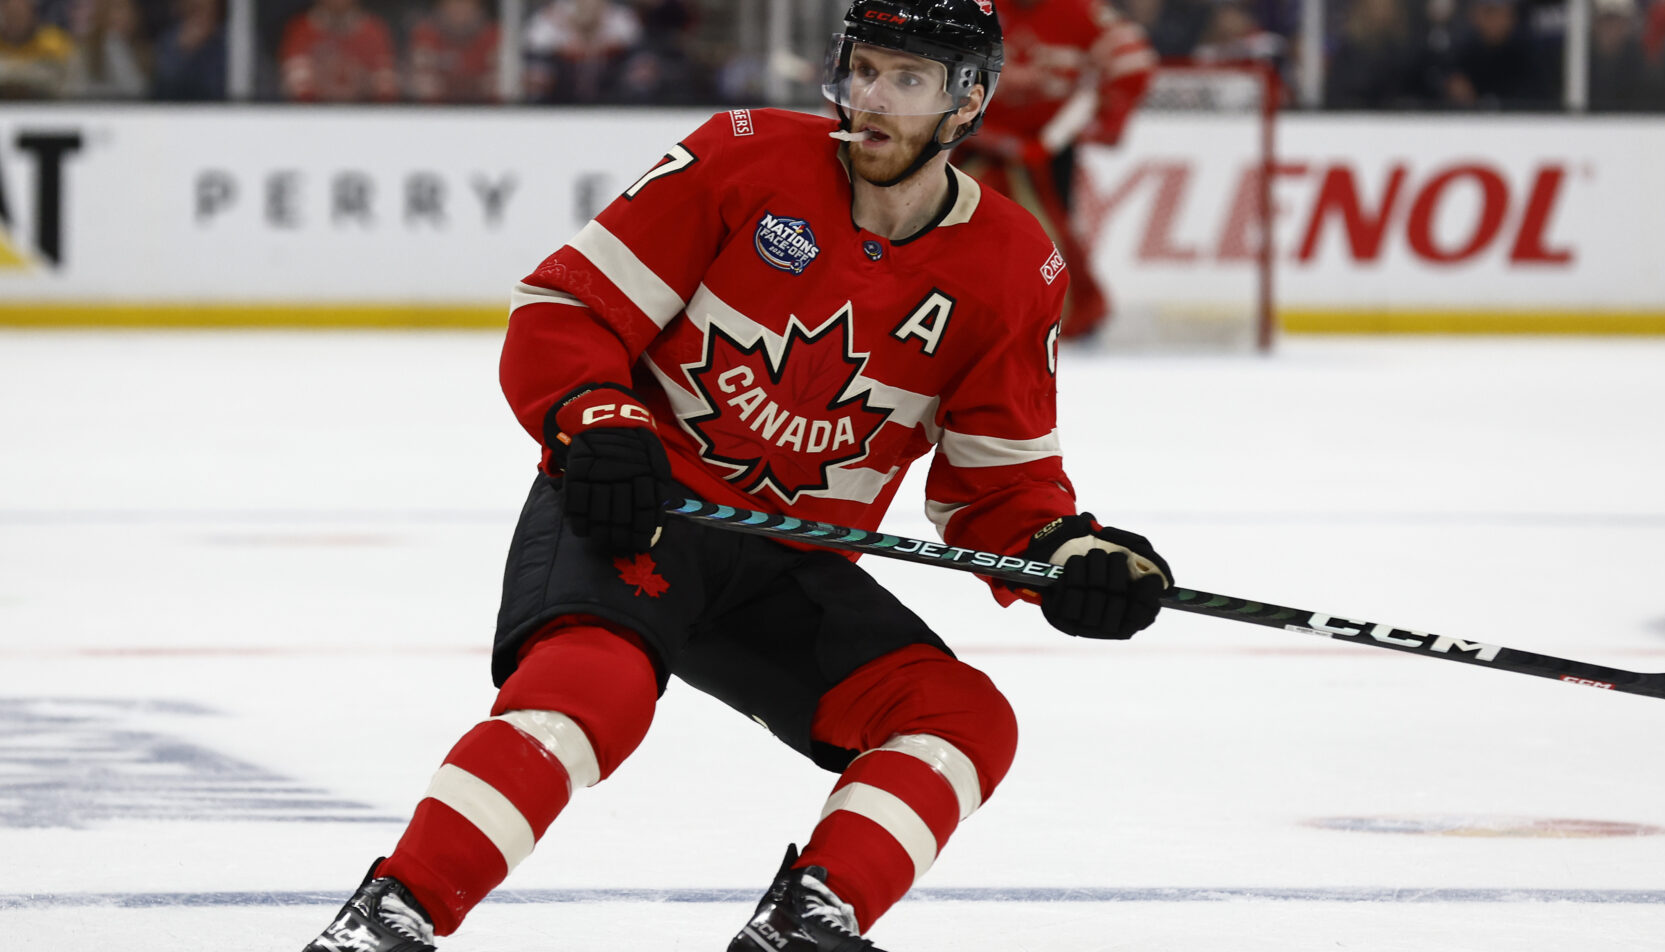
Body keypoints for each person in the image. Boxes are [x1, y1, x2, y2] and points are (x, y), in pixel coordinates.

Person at [300, 1, 1172, 950]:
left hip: (787, 564)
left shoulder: (1013, 266)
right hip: (645, 511)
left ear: (968, 104)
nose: (871, 100)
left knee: (961, 719)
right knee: (592, 695)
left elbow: (999, 494)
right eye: (863, 70)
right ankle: (392, 917)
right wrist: (598, 418)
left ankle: (805, 926)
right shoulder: (741, 156)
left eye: (906, 80)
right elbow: (564, 309)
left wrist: (1072, 556)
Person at [954, 0, 1157, 340]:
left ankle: (1069, 316)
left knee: (1050, 232)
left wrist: (1098, 121)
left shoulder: (1082, 12)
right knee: (956, 227)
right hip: (973, 143)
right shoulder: (973, 7)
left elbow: (1133, 63)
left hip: (1046, 150)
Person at [279, 0, 399, 102]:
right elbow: (298, 92)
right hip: (314, 120)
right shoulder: (301, 30)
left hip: (365, 118)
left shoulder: (374, 31)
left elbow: (386, 91)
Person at [407, 0, 500, 103]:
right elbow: (423, 88)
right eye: (452, 3)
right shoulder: (425, 34)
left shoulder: (495, 35)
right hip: (436, 115)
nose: (459, 8)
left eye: (466, 3)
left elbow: (496, 90)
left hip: (483, 114)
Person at [0, 0, 74, 99]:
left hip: (47, 108)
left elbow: (63, 82)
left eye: (21, 14)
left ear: (33, 15)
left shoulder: (54, 42)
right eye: (11, 15)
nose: (16, 21)